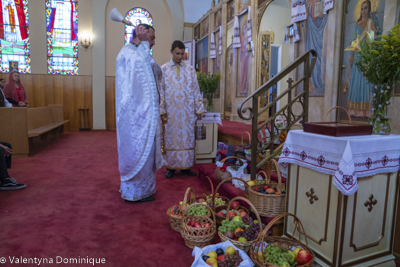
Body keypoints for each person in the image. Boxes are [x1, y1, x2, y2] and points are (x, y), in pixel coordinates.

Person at [115, 24, 163, 203]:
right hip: (135, 116)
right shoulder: (128, 53)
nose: (154, 43)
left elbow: (156, 72)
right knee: (137, 151)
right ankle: (135, 193)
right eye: (152, 38)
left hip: (145, 114)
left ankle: (144, 190)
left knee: (147, 151)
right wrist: (143, 44)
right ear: (140, 35)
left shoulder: (139, 53)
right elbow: (138, 77)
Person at [160, 40, 205, 179]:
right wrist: (162, 110)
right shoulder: (164, 69)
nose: (180, 56)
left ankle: (186, 167)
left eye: (182, 53)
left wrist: (198, 109)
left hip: (187, 112)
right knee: (171, 138)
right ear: (171, 52)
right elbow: (161, 91)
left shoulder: (190, 69)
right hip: (172, 112)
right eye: (177, 53)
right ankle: (170, 167)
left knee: (187, 139)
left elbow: (196, 90)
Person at [347, 0, 380, 117]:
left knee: (365, 81)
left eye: (365, 8)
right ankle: (355, 112)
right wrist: (351, 55)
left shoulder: (372, 21)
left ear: (369, 9)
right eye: (362, 9)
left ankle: (366, 112)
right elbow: (354, 40)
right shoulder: (357, 24)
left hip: (366, 55)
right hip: (357, 56)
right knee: (356, 81)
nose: (363, 11)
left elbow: (374, 39)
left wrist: (374, 30)